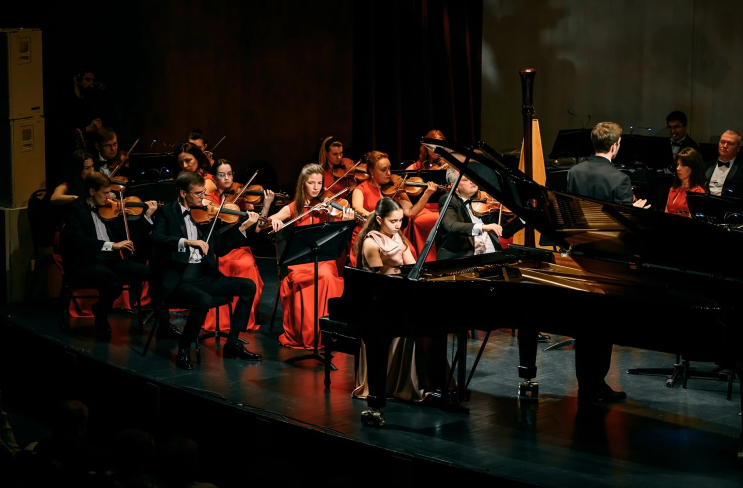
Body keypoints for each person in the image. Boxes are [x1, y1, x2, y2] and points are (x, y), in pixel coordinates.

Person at [151, 171, 262, 370]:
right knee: (203, 299)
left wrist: (244, 227)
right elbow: (157, 238)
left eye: (204, 193)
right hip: (179, 278)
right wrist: (187, 242)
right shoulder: (166, 212)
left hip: (202, 275)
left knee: (247, 286)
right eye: (198, 194)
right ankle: (184, 348)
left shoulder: (206, 214)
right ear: (183, 193)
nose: (203, 198)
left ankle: (232, 344)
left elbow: (220, 248)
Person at [564, 121, 640, 403]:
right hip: (608, 261)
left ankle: (586, 386)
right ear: (615, 146)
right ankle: (597, 384)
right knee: (603, 325)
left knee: (583, 325)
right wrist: (636, 210)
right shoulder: (620, 179)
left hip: (580, 255)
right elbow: (622, 226)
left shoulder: (574, 172)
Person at [352, 197, 450, 402]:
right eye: (393, 221)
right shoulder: (370, 242)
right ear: (379, 220)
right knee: (410, 327)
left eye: (400, 221)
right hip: (378, 300)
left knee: (429, 324)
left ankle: (434, 382)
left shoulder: (398, 238)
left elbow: (411, 268)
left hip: (398, 294)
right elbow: (378, 280)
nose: (398, 225)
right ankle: (405, 385)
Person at [266, 163, 355, 350]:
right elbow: (266, 223)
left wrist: (345, 222)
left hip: (323, 259)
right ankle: (308, 333)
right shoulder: (294, 207)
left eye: (319, 183)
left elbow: (338, 237)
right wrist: (273, 220)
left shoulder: (327, 207)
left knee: (327, 275)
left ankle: (327, 333)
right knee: (311, 278)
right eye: (311, 183)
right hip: (300, 261)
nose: (316, 188)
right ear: (302, 184)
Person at [60, 172, 157, 339]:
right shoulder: (74, 209)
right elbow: (79, 241)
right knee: (113, 283)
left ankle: (162, 322)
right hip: (85, 263)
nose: (109, 197)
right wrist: (112, 245)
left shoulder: (109, 209)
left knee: (151, 272)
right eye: (105, 193)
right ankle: (101, 311)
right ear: (92, 191)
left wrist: (146, 217)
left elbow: (127, 235)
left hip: (109, 261)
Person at [202, 159, 274, 332]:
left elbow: (258, 227)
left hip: (238, 249)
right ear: (214, 178)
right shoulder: (209, 200)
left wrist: (266, 205)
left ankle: (242, 320)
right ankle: (222, 319)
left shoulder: (242, 198)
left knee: (247, 265)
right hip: (218, 250)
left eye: (230, 174)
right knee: (224, 265)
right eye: (222, 175)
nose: (227, 178)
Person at [349, 150, 438, 265]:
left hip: (390, 234)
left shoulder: (395, 187)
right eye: (383, 170)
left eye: (389, 168)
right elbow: (358, 209)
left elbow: (411, 212)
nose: (389, 173)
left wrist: (427, 194)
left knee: (409, 250)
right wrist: (381, 212)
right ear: (371, 171)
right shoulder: (360, 190)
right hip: (368, 234)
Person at [437, 168, 524, 260]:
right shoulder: (448, 200)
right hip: (466, 259)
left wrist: (524, 217)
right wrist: (482, 227)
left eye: (471, 177)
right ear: (455, 186)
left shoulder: (485, 200)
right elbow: (452, 226)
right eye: (466, 180)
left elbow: (504, 231)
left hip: (494, 256)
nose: (471, 181)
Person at [567, 122, 650, 208]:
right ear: (613, 147)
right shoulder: (621, 179)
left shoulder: (573, 171)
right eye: (619, 143)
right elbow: (624, 214)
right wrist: (634, 209)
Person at [402, 129, 448, 262]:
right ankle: (425, 260)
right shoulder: (416, 167)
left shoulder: (450, 166)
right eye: (432, 147)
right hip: (422, 208)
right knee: (421, 221)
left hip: (445, 207)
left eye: (440, 146)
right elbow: (403, 182)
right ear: (426, 147)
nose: (436, 150)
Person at [665, 147, 707, 217]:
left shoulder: (697, 192)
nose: (678, 168)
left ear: (693, 167)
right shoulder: (673, 189)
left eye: (683, 165)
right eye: (677, 164)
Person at [705, 130, 743, 198]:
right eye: (722, 142)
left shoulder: (741, 168)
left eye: (730, 143)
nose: (725, 146)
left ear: (738, 148)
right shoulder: (706, 166)